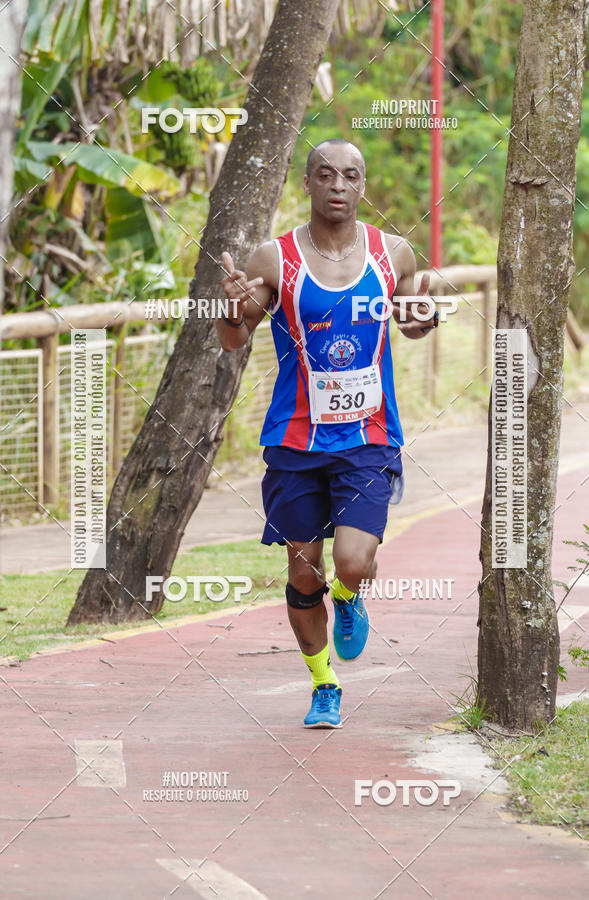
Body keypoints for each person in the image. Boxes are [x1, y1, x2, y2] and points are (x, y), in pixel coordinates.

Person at [216, 139, 437, 728]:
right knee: (302, 570)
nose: (338, 185)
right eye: (326, 174)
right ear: (307, 183)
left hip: (369, 434)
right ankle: (324, 684)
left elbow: (412, 322)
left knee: (355, 561)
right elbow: (234, 340)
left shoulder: (393, 254)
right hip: (295, 440)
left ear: (363, 186)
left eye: (351, 175)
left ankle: (349, 598)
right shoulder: (275, 260)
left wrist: (421, 319)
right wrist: (230, 308)